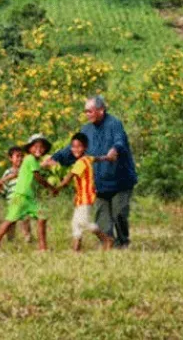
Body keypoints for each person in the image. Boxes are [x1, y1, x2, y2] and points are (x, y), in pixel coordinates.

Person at [44, 95, 137, 249]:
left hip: (120, 180)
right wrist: (56, 158)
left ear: (101, 110)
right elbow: (73, 148)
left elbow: (119, 140)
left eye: (90, 111)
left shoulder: (115, 124)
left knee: (119, 213)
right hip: (98, 182)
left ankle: (123, 242)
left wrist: (115, 149)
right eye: (85, 111)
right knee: (102, 218)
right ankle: (108, 244)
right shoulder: (86, 129)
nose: (87, 114)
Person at [0, 134, 61, 251]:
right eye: (35, 146)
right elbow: (38, 177)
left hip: (28, 197)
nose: (38, 149)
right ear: (29, 148)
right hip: (20, 196)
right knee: (10, 219)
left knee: (42, 217)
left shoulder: (33, 161)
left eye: (41, 147)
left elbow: (38, 168)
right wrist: (51, 188)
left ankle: (43, 248)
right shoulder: (30, 159)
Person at [59, 132, 114, 251]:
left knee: (84, 222)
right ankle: (76, 249)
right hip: (81, 197)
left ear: (85, 147)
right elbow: (97, 158)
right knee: (75, 223)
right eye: (73, 146)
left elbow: (69, 178)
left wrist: (56, 188)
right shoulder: (87, 158)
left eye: (79, 146)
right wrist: (108, 157)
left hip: (86, 197)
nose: (75, 149)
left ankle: (106, 239)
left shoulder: (80, 163)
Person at [0, 146, 34, 244]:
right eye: (17, 156)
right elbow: (3, 186)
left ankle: (28, 237)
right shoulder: (8, 172)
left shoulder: (26, 170)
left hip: (25, 198)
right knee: (12, 220)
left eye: (22, 156)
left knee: (25, 219)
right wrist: (3, 194)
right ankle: (10, 239)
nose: (20, 159)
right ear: (10, 158)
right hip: (14, 199)